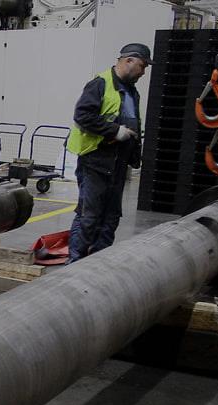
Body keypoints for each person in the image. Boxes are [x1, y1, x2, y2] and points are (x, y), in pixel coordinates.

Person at [65, 43, 152, 262]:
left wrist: (135, 155)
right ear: (129, 60)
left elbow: (134, 123)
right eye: (142, 66)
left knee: (111, 217)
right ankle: (74, 263)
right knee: (89, 216)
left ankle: (98, 263)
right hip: (95, 161)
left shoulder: (132, 92)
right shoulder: (100, 84)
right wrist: (114, 131)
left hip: (118, 164)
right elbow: (83, 116)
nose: (143, 72)